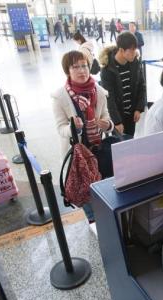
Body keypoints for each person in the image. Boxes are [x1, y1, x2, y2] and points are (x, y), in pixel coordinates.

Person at [51, 51, 114, 222]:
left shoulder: (99, 91)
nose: (81, 70)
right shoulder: (60, 97)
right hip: (76, 152)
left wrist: (108, 125)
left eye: (84, 65)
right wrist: (74, 128)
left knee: (100, 182)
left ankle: (104, 215)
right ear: (67, 71)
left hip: (96, 148)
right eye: (75, 67)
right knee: (83, 187)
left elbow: (107, 116)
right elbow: (60, 128)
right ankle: (92, 219)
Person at [99, 32, 146, 137]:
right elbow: (109, 98)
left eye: (135, 49)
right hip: (117, 115)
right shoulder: (107, 69)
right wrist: (117, 121)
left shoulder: (135, 63)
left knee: (130, 142)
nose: (135, 52)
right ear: (121, 50)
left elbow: (141, 86)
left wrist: (138, 108)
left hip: (131, 115)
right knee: (119, 145)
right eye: (132, 50)